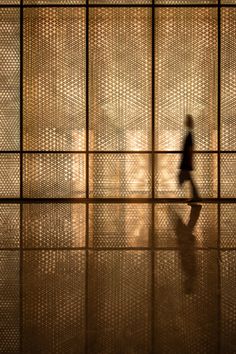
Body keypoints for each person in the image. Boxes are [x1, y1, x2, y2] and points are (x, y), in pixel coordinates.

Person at [178, 114, 200, 202]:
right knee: (189, 179)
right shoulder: (189, 133)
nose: (184, 122)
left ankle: (195, 196)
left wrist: (190, 161)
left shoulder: (189, 134)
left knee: (184, 177)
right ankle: (196, 196)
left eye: (186, 120)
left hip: (186, 160)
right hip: (186, 160)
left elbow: (190, 149)